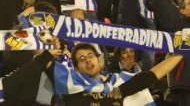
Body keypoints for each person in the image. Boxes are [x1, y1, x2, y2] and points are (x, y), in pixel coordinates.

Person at [49, 42, 184, 105]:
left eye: (90, 55)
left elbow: (153, 75)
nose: (88, 60)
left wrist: (183, 49)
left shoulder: (119, 82)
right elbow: (44, 63)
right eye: (82, 59)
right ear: (76, 68)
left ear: (99, 60)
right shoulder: (70, 88)